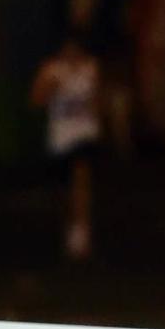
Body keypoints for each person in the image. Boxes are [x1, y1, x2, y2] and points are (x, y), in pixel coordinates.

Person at [31, 32, 101, 260]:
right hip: (60, 137)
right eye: (67, 48)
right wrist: (51, 87)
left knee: (81, 176)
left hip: (85, 135)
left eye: (76, 48)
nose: (71, 53)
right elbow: (36, 100)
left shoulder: (90, 68)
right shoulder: (51, 70)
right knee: (64, 189)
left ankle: (81, 233)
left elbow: (96, 99)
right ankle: (69, 229)